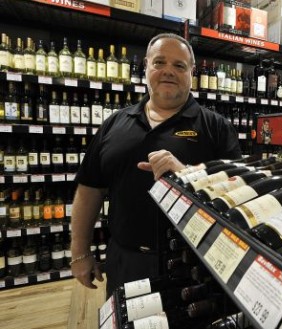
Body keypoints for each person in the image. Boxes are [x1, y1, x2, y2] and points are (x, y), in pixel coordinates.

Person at [70, 33, 242, 295]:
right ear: (147, 67)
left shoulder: (216, 127)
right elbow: (89, 189)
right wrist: (79, 253)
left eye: (179, 65)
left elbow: (236, 193)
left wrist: (187, 175)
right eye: (159, 63)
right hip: (125, 260)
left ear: (191, 73)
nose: (168, 72)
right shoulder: (115, 124)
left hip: (192, 264)